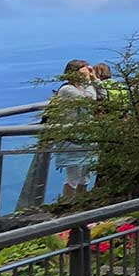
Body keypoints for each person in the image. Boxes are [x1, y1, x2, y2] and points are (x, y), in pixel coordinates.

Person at [50, 60, 99, 201]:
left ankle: (81, 205)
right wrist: (90, 82)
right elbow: (90, 99)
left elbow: (101, 95)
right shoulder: (67, 90)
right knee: (74, 175)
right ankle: (67, 205)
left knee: (85, 174)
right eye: (84, 71)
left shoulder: (81, 88)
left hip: (87, 135)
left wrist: (95, 79)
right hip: (73, 137)